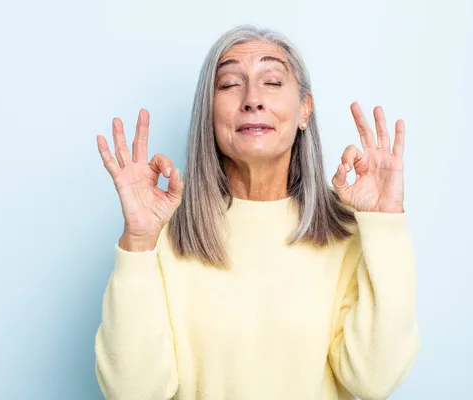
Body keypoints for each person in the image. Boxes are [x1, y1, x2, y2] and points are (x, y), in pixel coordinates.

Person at [94, 24, 419, 400]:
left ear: (305, 110)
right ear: (209, 113)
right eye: (231, 83)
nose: (252, 99)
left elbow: (374, 380)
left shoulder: (350, 232)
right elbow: (132, 392)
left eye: (272, 81)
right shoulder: (161, 237)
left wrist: (386, 222)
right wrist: (137, 241)